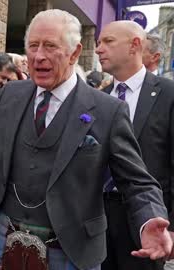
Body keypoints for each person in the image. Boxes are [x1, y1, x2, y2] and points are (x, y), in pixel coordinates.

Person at [0, 9, 171, 270]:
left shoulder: (108, 110)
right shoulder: (12, 94)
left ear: (75, 52)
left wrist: (148, 220)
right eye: (33, 46)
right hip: (3, 236)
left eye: (50, 46)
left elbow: (137, 180)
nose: (38, 56)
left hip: (71, 248)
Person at [96, 21, 174, 270]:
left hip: (147, 224)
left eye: (107, 41)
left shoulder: (168, 94)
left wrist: (171, 226)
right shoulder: (97, 97)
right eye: (98, 42)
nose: (98, 49)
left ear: (135, 45)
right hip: (95, 224)